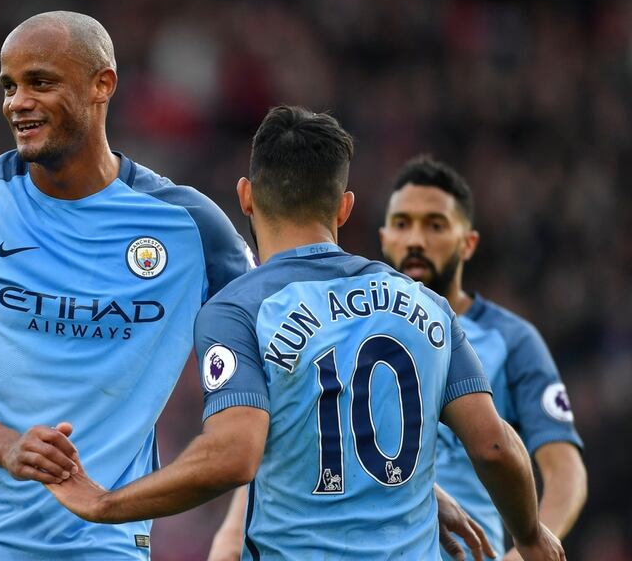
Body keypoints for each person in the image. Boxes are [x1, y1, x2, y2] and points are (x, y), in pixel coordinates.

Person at [46, 105, 565, 560]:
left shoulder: (239, 309)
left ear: (246, 197)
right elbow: (494, 446)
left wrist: (105, 502)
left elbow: (232, 455)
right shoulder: (426, 304)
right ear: (344, 207)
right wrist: (531, 535)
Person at [0, 11, 253, 560]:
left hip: (105, 545)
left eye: (40, 82)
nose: (17, 102)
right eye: (9, 86)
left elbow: (279, 369)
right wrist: (6, 445)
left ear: (102, 84)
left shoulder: (190, 229)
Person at [379, 156, 587, 560]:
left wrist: (528, 546)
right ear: (384, 237)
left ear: (467, 243)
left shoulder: (511, 340)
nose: (416, 239)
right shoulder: (349, 333)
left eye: (435, 225)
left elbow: (564, 467)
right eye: (402, 224)